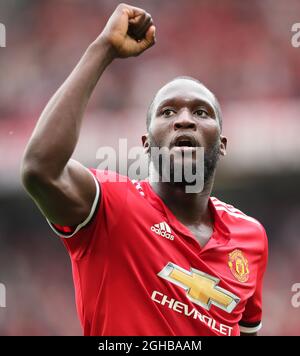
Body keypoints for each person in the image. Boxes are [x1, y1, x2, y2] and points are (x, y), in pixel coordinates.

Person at [21, 3, 268, 336]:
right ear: (147, 143)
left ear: (221, 145)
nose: (184, 119)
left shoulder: (250, 237)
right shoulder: (109, 207)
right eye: (167, 113)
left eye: (201, 113)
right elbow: (40, 169)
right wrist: (103, 49)